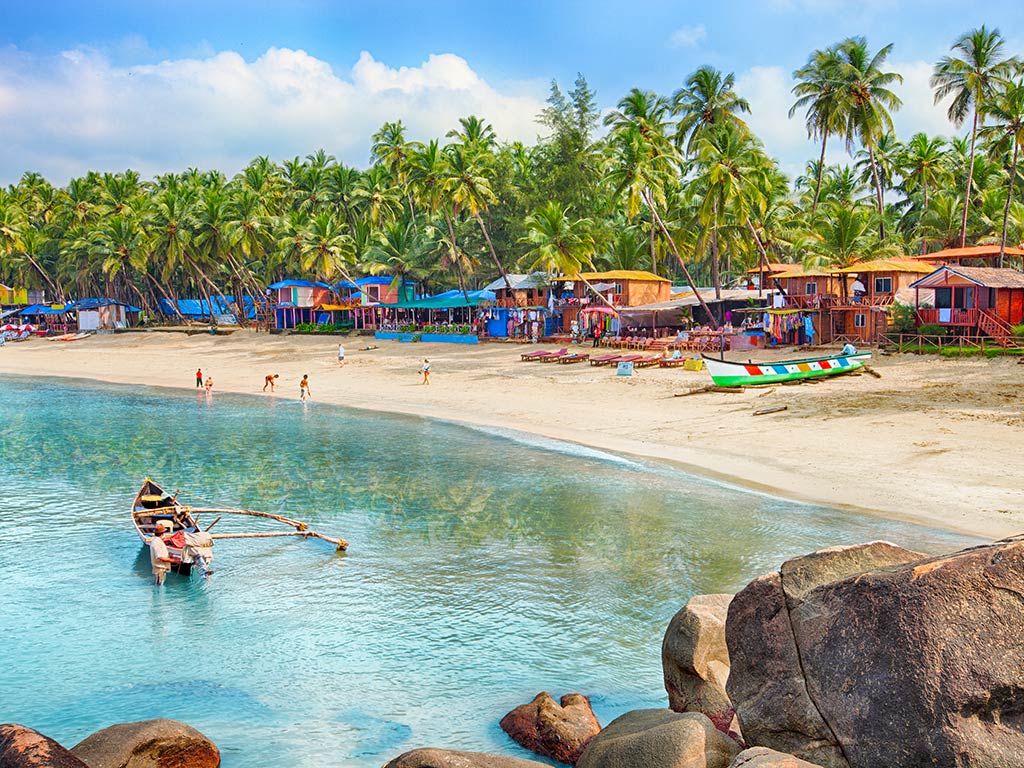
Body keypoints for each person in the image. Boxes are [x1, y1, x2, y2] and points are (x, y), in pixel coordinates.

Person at [149, 520, 174, 586]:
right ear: (163, 533)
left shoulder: (157, 541)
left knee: (159, 584)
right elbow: (160, 557)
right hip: (160, 570)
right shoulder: (157, 542)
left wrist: (169, 555)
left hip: (160, 569)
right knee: (159, 586)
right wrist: (175, 561)